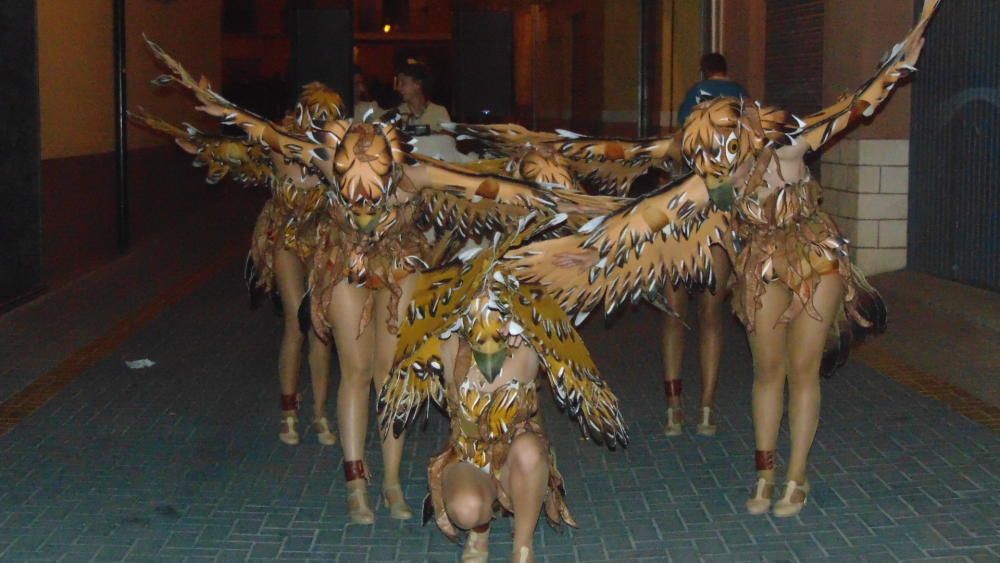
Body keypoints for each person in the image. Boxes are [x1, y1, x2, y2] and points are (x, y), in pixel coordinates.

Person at [509, 0, 936, 517]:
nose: (716, 164)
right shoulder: (713, 174)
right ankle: (765, 474)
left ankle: (796, 477)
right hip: (759, 263)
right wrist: (577, 254)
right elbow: (646, 216)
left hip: (813, 254)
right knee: (766, 371)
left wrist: (899, 62)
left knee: (801, 370)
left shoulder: (789, 145)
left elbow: (851, 107)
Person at [378, 216, 627, 563]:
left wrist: (591, 257)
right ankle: (480, 533)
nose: (486, 312)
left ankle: (522, 547)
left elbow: (580, 289)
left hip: (517, 459)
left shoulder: (528, 343)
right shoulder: (447, 345)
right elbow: (414, 298)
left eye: (494, 301)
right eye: (475, 299)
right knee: (467, 508)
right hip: (468, 457)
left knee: (529, 449)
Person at [662, 53, 744, 438]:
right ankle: (706, 407)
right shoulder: (743, 99)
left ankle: (674, 406)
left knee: (675, 311)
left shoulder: (693, 96)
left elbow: (677, 150)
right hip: (719, 213)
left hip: (684, 212)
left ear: (703, 70)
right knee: (712, 314)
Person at [676, 53, 749, 127]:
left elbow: (683, 119)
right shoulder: (739, 90)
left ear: (706, 70)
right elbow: (749, 118)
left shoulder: (698, 90)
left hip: (705, 136)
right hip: (733, 136)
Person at [395, 62, 451, 132]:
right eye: (398, 83)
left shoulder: (439, 112)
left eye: (403, 83)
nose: (398, 88)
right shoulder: (397, 113)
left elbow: (448, 139)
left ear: (418, 84)